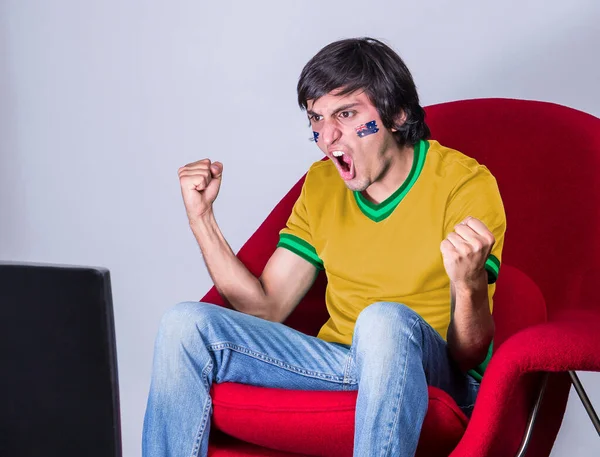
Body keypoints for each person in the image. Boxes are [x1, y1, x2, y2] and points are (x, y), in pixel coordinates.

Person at [142, 37, 506, 457]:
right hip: (342, 364)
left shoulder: (464, 184)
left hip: (438, 374)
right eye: (316, 118)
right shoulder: (321, 185)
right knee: (182, 323)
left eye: (346, 114)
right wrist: (200, 218)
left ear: (397, 114)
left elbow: (470, 354)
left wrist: (469, 282)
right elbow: (265, 308)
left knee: (382, 322)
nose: (326, 136)